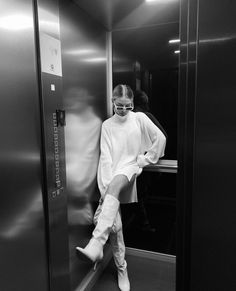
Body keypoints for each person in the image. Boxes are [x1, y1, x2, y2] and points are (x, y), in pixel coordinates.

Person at [76, 84, 166, 291]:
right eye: (119, 106)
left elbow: (160, 139)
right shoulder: (107, 125)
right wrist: (105, 187)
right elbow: (105, 158)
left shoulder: (139, 118)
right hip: (111, 174)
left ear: (132, 103)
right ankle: (121, 268)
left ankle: (96, 242)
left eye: (127, 106)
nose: (124, 110)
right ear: (113, 102)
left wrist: (146, 159)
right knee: (115, 224)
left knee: (115, 187)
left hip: (130, 168)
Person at [133, 90, 168, 233]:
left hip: (141, 164)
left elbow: (161, 138)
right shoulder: (137, 116)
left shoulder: (142, 117)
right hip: (137, 164)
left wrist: (147, 158)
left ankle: (143, 224)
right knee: (139, 195)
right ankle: (142, 224)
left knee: (139, 196)